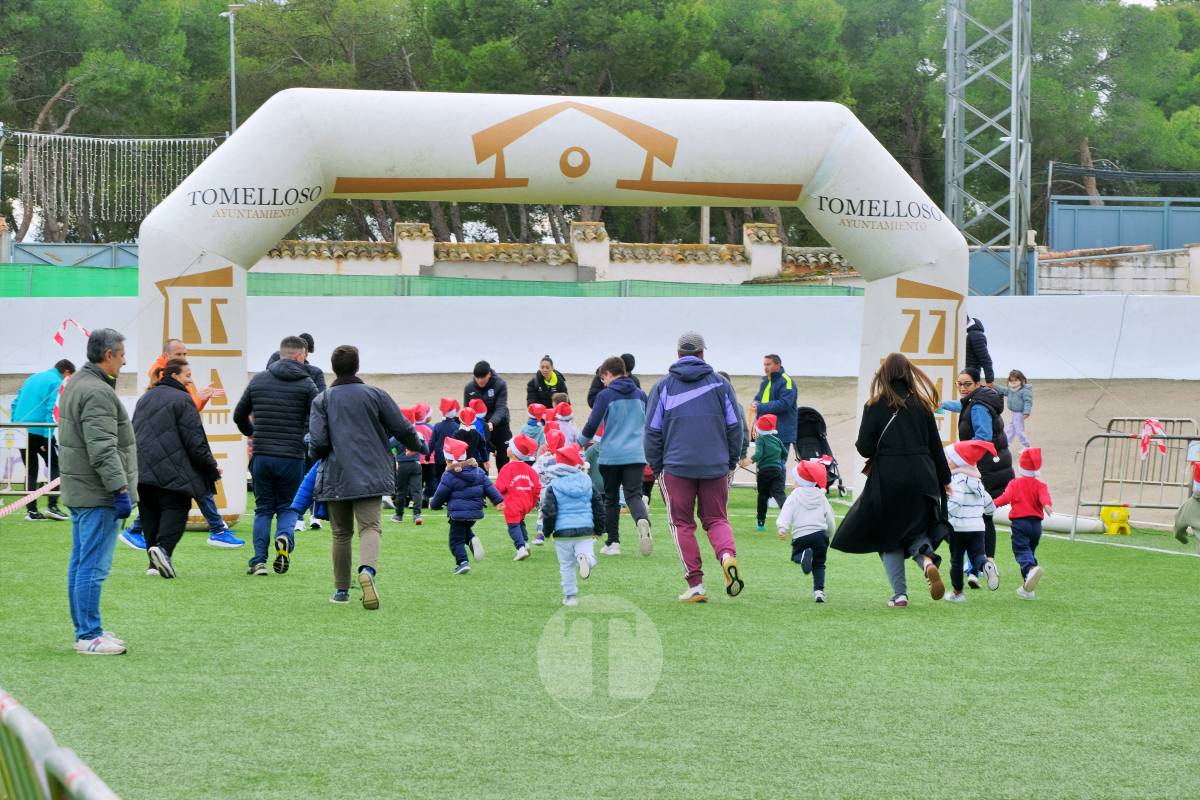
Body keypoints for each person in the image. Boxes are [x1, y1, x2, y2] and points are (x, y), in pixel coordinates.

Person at [832, 353, 951, 608]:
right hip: (923, 476)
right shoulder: (921, 404)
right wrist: (945, 479)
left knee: (888, 535)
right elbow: (935, 447)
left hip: (889, 477)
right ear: (908, 374)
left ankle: (900, 595)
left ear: (883, 374)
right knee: (916, 530)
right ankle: (928, 561)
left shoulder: (874, 405)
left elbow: (864, 448)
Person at [309, 345, 420, 609]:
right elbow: (402, 427)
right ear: (357, 366)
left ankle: (341, 591)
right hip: (371, 473)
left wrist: (316, 452)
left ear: (333, 368)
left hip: (336, 474)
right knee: (370, 527)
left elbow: (319, 442)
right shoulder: (376, 395)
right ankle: (367, 571)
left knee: (340, 533)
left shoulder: (322, 400)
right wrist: (418, 444)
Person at [645, 331, 745, 603]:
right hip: (715, 465)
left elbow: (652, 431)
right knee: (716, 519)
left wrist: (657, 467)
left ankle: (696, 585)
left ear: (678, 355)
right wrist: (731, 460)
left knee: (682, 524)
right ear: (703, 354)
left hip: (676, 466)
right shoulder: (721, 385)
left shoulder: (663, 387)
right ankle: (727, 556)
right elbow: (736, 427)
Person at [123, 338, 242, 550]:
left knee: (158, 501)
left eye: (186, 354)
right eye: (180, 355)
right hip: (169, 451)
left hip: (156, 454)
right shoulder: (169, 385)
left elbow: (177, 415)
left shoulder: (154, 391)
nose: (185, 358)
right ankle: (209, 532)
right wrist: (209, 466)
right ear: (170, 364)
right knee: (185, 497)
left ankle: (144, 539)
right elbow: (184, 417)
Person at [59, 328, 136, 655]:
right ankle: (88, 634)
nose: (124, 360)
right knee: (92, 566)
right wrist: (119, 489)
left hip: (83, 491)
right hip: (98, 494)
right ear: (108, 355)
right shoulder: (97, 392)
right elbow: (103, 448)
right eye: (121, 355)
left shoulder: (77, 383)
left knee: (81, 563)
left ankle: (87, 629)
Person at [233, 336, 319, 577]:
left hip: (262, 455)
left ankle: (258, 561)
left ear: (281, 353)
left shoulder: (259, 380)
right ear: (301, 355)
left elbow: (239, 415)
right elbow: (317, 420)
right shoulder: (307, 384)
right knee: (288, 507)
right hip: (292, 456)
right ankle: (284, 537)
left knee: (262, 510)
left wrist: (254, 434)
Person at [132, 358, 221, 579]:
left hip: (141, 468)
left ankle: (153, 564)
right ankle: (163, 551)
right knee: (176, 509)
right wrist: (210, 467)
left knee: (149, 512)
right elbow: (195, 440)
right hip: (173, 470)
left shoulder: (145, 398)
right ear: (174, 376)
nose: (191, 381)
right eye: (187, 375)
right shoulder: (183, 400)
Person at [940, 367, 1014, 587]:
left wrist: (958, 460)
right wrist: (942, 405)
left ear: (977, 384)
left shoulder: (979, 406)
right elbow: (962, 405)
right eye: (959, 384)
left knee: (968, 515)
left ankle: (975, 564)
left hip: (984, 467)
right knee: (982, 516)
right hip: (991, 465)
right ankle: (980, 565)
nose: (962, 388)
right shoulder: (976, 401)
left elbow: (983, 438)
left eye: (967, 384)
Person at [579, 355, 652, 557]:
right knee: (634, 495)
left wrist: (576, 444)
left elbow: (592, 425)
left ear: (608, 374)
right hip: (636, 454)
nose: (603, 382)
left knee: (610, 498)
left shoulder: (605, 395)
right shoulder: (640, 395)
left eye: (603, 378)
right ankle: (641, 521)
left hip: (611, 454)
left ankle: (613, 543)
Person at [429, 437, 504, 575]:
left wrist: (433, 504)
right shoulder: (479, 472)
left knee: (455, 541)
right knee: (463, 531)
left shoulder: (449, 475)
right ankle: (471, 539)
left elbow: (440, 494)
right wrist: (498, 500)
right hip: (474, 513)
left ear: (448, 460)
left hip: (458, 514)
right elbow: (489, 487)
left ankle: (462, 562)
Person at [542, 443, 604, 607]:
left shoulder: (554, 485)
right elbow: (598, 506)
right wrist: (599, 529)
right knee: (589, 555)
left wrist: (546, 531)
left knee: (566, 566)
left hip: (562, 532)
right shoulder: (587, 481)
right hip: (585, 529)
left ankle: (571, 597)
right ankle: (586, 561)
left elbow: (549, 511)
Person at [11, 358, 74, 521]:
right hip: (39, 431)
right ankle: (52, 506)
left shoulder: (32, 377)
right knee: (56, 465)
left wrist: (14, 425)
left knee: (30, 471)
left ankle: (31, 512)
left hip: (21, 430)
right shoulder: (56, 381)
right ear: (67, 372)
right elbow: (50, 411)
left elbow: (14, 403)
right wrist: (47, 439)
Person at [943, 440, 1000, 603]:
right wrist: (987, 512)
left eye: (949, 459)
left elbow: (957, 499)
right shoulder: (978, 483)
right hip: (978, 528)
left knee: (956, 560)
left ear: (958, 462)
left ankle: (957, 592)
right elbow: (989, 504)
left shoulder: (957, 479)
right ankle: (985, 565)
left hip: (958, 528)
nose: (946, 462)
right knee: (978, 556)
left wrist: (944, 514)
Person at [994, 448, 1053, 600]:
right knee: (1029, 552)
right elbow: (1044, 497)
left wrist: (992, 504)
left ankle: (1031, 569)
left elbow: (1005, 498)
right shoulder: (1040, 485)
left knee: (1020, 550)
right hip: (1036, 526)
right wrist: (1047, 505)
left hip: (1020, 523)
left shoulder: (1015, 484)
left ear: (1021, 467)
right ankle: (1028, 588)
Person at [776, 460, 835, 603]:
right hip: (820, 536)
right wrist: (830, 533)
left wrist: (782, 527)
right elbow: (830, 518)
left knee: (796, 555)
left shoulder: (794, 496)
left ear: (800, 481)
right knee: (819, 563)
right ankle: (819, 592)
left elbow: (786, 512)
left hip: (801, 535)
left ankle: (802, 556)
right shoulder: (821, 496)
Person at [495, 434, 541, 560]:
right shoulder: (530, 469)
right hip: (526, 502)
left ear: (513, 452)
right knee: (520, 522)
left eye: (509, 446)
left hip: (512, 503)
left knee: (513, 526)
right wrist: (532, 501)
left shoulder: (506, 469)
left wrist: (497, 501)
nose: (507, 448)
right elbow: (537, 487)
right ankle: (525, 543)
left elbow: (499, 488)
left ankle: (520, 548)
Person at [464, 361, 512, 469]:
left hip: (499, 425)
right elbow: (467, 410)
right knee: (480, 460)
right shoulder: (469, 388)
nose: (480, 380)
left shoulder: (500, 384)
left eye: (483, 377)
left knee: (503, 459)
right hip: (479, 428)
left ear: (489, 374)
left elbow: (501, 407)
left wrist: (491, 422)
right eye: (477, 377)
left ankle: (502, 485)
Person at [752, 354, 798, 460]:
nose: (765, 367)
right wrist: (755, 403)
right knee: (764, 465)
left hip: (780, 432)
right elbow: (760, 399)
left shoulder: (787, 382)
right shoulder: (767, 381)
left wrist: (760, 407)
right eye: (764, 364)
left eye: (768, 364)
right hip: (764, 431)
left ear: (778, 365)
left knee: (778, 465)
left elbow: (784, 404)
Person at [391, 407, 427, 525]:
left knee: (401, 491)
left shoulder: (398, 434)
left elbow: (388, 445)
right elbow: (425, 451)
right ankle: (417, 515)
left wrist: (396, 455)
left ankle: (398, 516)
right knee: (416, 491)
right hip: (416, 465)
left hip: (402, 465)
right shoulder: (418, 434)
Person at [752, 414, 787, 532]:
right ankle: (790, 517)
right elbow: (785, 453)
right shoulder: (777, 440)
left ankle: (761, 523)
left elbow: (758, 455)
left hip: (764, 473)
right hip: (778, 471)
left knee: (763, 496)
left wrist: (749, 460)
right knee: (779, 494)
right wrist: (779, 462)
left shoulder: (760, 440)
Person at [996, 369, 1033, 450]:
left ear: (1021, 380)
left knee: (1019, 431)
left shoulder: (1024, 390)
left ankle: (1027, 446)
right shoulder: (1011, 389)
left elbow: (1028, 401)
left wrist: (1026, 412)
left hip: (1019, 413)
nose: (1013, 382)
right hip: (1013, 413)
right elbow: (1004, 390)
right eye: (1011, 380)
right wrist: (994, 386)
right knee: (1010, 430)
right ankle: (1005, 445)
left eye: (1016, 380)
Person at [965, 316, 994, 386]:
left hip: (970, 377)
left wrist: (989, 381)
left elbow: (985, 359)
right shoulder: (966, 333)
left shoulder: (975, 335)